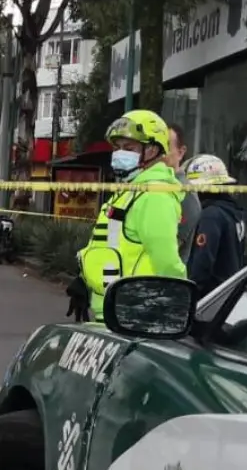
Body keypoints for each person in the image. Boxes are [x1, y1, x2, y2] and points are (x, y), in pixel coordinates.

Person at [77, 110, 187, 319]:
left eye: (129, 148)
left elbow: (167, 262)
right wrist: (85, 280)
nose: (120, 154)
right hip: (112, 312)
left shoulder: (155, 195)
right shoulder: (130, 192)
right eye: (117, 148)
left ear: (153, 150)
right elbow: (112, 246)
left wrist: (179, 304)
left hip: (136, 316)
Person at [184, 154, 246, 295]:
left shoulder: (211, 215)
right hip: (226, 293)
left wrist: (189, 294)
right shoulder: (234, 211)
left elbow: (202, 262)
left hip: (208, 298)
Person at [166, 123, 202, 261]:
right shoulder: (154, 185)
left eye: (166, 147)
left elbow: (170, 247)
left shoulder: (185, 193)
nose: (160, 154)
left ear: (181, 152)